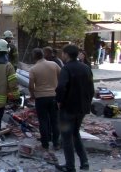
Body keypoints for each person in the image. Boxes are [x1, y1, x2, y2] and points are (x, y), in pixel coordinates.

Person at [55, 44, 94, 172]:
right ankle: (84, 162)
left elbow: (61, 87)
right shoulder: (86, 68)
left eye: (63, 53)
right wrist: (87, 103)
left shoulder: (66, 69)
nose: (62, 55)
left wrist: (59, 101)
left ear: (66, 54)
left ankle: (70, 166)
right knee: (76, 134)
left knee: (66, 137)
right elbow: (91, 89)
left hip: (68, 108)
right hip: (82, 108)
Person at [29, 48, 61, 150]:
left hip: (41, 98)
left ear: (34, 56)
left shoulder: (33, 69)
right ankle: (56, 143)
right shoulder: (54, 65)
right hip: (54, 96)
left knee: (43, 121)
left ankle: (45, 144)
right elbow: (61, 77)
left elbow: (30, 85)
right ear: (43, 55)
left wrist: (32, 95)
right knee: (54, 120)